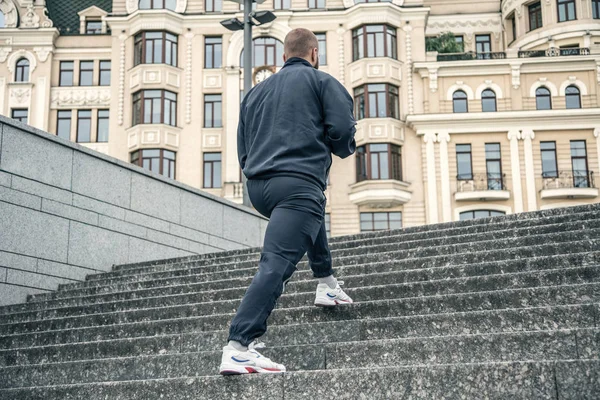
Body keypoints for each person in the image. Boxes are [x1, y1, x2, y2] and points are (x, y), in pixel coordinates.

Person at [219, 28, 357, 376]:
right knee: (277, 260)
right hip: (298, 182)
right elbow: (341, 129)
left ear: (283, 57)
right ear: (314, 54)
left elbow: (243, 144)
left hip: (260, 188)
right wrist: (341, 144)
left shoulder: (254, 93)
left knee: (308, 213)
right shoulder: (322, 82)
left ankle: (327, 284)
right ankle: (239, 346)